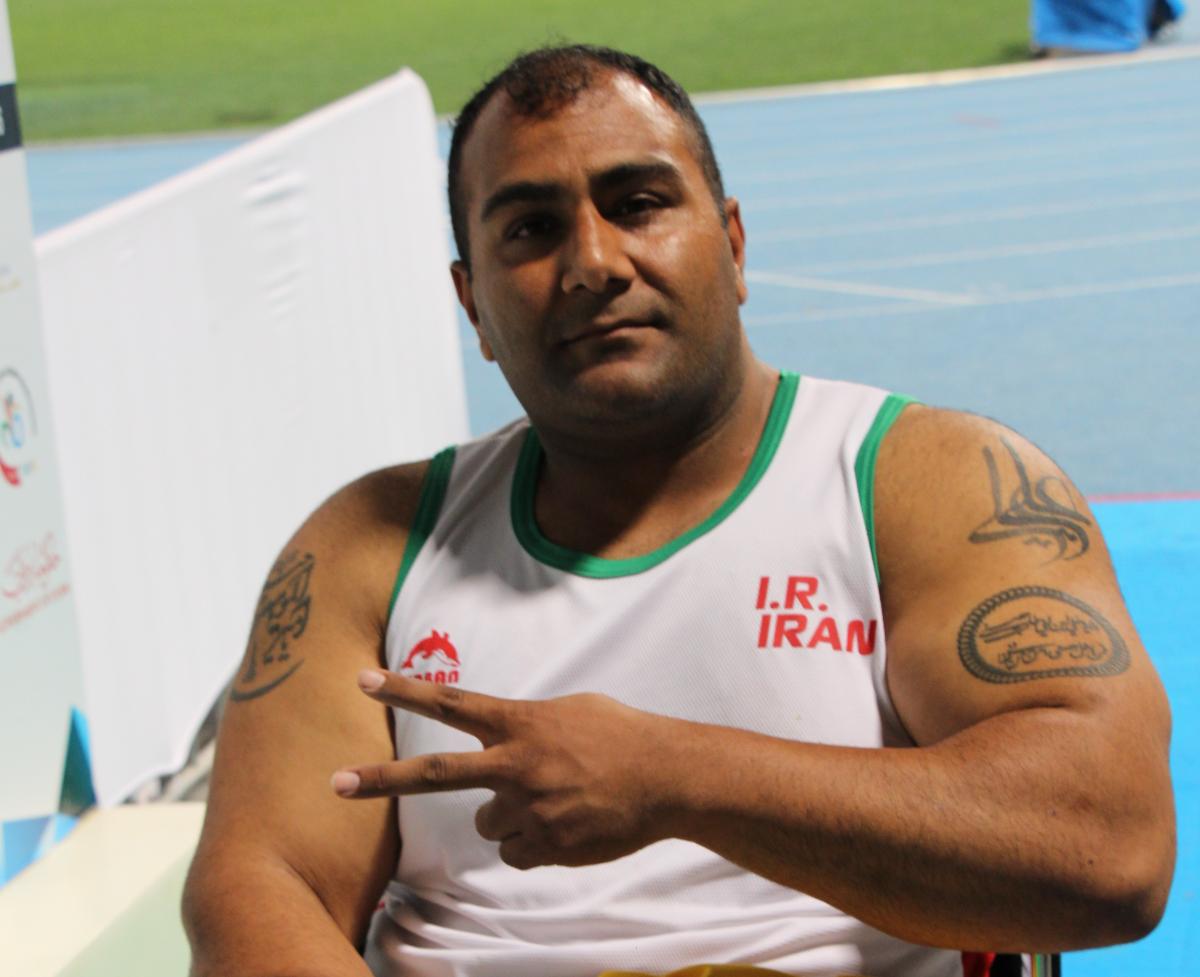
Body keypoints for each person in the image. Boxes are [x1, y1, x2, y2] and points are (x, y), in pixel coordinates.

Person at [182, 44, 1175, 977]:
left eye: (638, 204)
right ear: (472, 301)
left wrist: (675, 774)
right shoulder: (369, 543)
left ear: (733, 246)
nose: (594, 263)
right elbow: (259, 884)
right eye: (530, 229)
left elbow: (1111, 851)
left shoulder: (932, 483)